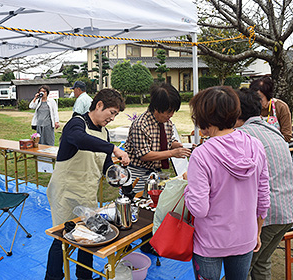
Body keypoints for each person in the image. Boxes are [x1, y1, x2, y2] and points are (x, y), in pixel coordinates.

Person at [184, 86, 270, 280]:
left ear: (203, 116)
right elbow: (263, 198)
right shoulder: (255, 145)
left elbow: (199, 209)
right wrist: (257, 232)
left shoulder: (202, 154)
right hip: (245, 237)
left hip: (210, 242)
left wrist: (188, 189)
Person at [45, 88, 130, 280]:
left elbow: (105, 163)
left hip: (86, 192)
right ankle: (52, 277)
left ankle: (84, 276)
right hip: (65, 192)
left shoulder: (105, 133)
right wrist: (114, 148)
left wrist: (116, 175)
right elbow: (80, 140)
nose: (112, 118)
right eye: (112, 113)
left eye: (116, 115)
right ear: (99, 105)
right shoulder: (76, 124)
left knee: (90, 235)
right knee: (62, 237)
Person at [124, 83, 191, 255]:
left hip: (156, 173)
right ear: (155, 108)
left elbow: (168, 142)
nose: (170, 115)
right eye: (167, 111)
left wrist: (182, 147)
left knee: (153, 209)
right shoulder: (141, 124)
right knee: (133, 208)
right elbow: (143, 154)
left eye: (172, 111)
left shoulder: (167, 123)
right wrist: (172, 152)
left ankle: (148, 244)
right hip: (137, 173)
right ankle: (125, 245)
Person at [235, 88, 293, 280]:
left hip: (269, 213)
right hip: (287, 210)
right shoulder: (271, 129)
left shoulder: (244, 136)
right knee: (262, 262)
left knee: (243, 267)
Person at [250, 76, 292, 142]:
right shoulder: (249, 108)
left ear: (268, 96)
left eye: (260, 98)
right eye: (254, 98)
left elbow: (287, 136)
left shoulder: (281, 107)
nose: (257, 102)